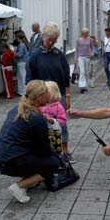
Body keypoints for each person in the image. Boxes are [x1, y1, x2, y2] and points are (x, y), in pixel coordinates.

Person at [0, 80, 60, 203]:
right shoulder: (36, 118)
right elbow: (44, 150)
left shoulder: (17, 109)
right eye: (47, 92)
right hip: (9, 161)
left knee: (40, 158)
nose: (49, 95)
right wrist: (56, 154)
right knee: (53, 163)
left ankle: (26, 182)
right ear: (39, 96)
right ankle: (19, 187)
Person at [26, 22, 74, 163]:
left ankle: (65, 151)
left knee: (61, 124)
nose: (51, 42)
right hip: (40, 97)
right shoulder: (35, 55)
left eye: (54, 40)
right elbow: (29, 78)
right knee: (41, 125)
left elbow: (66, 77)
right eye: (49, 39)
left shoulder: (59, 55)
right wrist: (29, 98)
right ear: (43, 36)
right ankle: (44, 152)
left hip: (58, 96)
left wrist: (68, 96)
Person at [39, 81, 67, 155]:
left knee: (55, 151)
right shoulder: (41, 105)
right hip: (42, 132)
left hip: (54, 133)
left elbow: (63, 120)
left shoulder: (58, 106)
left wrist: (53, 121)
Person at [74, 28, 94, 94]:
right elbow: (76, 49)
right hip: (80, 57)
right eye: (85, 33)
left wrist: (91, 54)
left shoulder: (90, 40)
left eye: (87, 33)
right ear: (82, 33)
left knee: (86, 72)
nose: (87, 34)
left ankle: (85, 86)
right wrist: (75, 59)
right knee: (82, 72)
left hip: (87, 57)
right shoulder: (78, 40)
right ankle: (81, 86)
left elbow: (92, 48)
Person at [15, 32, 29, 96]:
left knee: (21, 77)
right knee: (22, 76)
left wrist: (14, 53)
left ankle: (22, 91)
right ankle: (22, 91)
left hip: (21, 62)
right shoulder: (24, 44)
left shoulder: (21, 45)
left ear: (18, 38)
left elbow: (19, 54)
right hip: (24, 62)